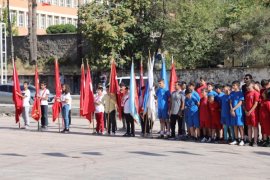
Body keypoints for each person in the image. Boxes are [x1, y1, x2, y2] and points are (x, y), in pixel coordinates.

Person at [243, 81, 260, 147]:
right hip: (247, 113)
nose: (247, 87)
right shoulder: (246, 93)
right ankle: (249, 141)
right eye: (247, 86)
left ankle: (255, 141)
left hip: (253, 113)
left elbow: (256, 103)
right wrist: (245, 110)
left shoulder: (256, 93)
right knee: (249, 127)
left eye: (248, 86)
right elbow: (244, 103)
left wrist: (250, 111)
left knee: (255, 127)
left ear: (252, 85)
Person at [229, 81, 245, 146]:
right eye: (233, 85)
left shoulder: (240, 93)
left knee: (240, 126)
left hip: (239, 112)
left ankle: (242, 139)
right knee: (235, 126)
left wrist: (234, 109)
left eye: (234, 85)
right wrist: (231, 109)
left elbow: (240, 102)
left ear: (238, 86)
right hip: (233, 112)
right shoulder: (232, 93)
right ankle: (236, 139)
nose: (233, 86)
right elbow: (230, 102)